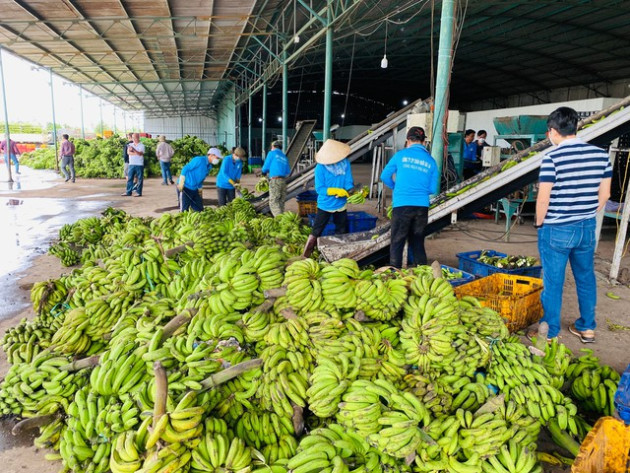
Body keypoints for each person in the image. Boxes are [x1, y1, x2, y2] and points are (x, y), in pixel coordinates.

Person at [530, 106, 612, 344]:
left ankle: (551, 330)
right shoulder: (600, 155)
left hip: (556, 229)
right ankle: (587, 328)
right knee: (585, 277)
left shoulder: (552, 157)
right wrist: (586, 212)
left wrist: (539, 223)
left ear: (553, 131)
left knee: (553, 281)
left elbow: (543, 198)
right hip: (586, 227)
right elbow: (605, 195)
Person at [381, 126, 438, 268]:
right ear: (424, 142)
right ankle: (422, 273)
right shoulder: (431, 161)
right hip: (421, 207)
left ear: (407, 141)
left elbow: (384, 176)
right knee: (417, 241)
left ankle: (395, 273)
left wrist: (396, 187)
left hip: (402, 205)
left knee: (397, 241)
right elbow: (433, 188)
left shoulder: (400, 156)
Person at [302, 139, 354, 258]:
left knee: (341, 230)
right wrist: (335, 190)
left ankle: (338, 254)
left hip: (341, 204)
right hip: (325, 204)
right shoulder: (320, 168)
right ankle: (306, 255)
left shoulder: (345, 163)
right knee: (317, 230)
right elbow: (320, 189)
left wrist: (350, 190)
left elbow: (348, 182)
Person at [261, 140, 291, 216]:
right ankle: (282, 218)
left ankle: (279, 219)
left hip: (275, 180)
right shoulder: (284, 156)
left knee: (274, 202)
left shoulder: (272, 153)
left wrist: (263, 172)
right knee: (281, 201)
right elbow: (288, 171)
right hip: (283, 181)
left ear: (273, 147)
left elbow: (266, 166)